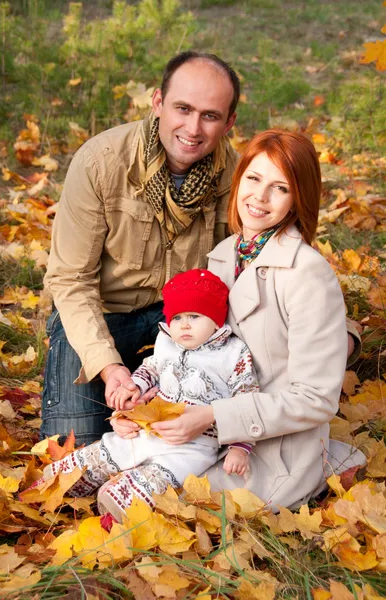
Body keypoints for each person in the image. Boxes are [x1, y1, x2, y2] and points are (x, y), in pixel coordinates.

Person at [109, 129, 365, 511]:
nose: (259, 198)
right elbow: (199, 350)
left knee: (138, 503)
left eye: (280, 188)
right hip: (203, 427)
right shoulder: (224, 254)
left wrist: (213, 417)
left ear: (298, 199)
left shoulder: (309, 273)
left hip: (271, 446)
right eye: (254, 179)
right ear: (239, 178)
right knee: (108, 468)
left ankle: (320, 470)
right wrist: (145, 402)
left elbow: (315, 399)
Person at [42, 51, 240, 447]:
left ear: (229, 122)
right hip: (103, 315)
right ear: (157, 102)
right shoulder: (101, 163)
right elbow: (70, 279)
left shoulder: (236, 176)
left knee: (197, 445)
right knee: (78, 449)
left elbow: (262, 262)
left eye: (210, 116)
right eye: (182, 108)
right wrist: (109, 366)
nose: (193, 128)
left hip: (185, 323)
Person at [39, 269, 259, 521]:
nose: (184, 325)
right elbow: (151, 368)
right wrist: (133, 387)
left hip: (194, 444)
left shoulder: (232, 353)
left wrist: (240, 447)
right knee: (112, 448)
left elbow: (246, 399)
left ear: (216, 320)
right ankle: (60, 484)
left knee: (162, 477)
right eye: (177, 318)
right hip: (151, 427)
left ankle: (117, 505)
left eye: (195, 316)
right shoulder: (168, 342)